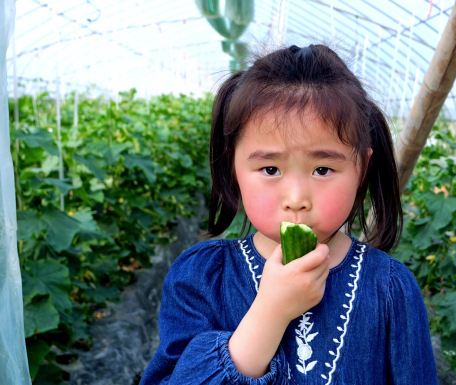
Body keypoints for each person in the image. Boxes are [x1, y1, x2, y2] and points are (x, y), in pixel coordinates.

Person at [140, 44, 438, 385]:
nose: (296, 199)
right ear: (232, 167)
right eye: (270, 169)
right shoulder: (200, 278)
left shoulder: (390, 288)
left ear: (362, 169)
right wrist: (270, 312)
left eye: (323, 170)